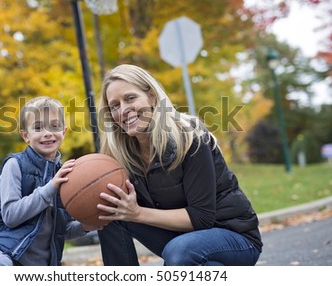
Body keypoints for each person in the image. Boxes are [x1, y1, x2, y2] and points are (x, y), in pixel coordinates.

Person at [96, 64, 262, 266]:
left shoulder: (190, 137)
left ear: (152, 97)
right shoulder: (121, 155)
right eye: (114, 105)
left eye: (130, 98)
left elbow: (202, 218)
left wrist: (138, 214)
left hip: (233, 236)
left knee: (180, 252)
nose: (123, 110)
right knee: (112, 211)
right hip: (180, 240)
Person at [0, 96, 100, 266]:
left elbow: (63, 230)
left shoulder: (67, 175)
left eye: (54, 126)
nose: (47, 132)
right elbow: (10, 216)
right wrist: (51, 187)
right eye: (38, 127)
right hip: (3, 250)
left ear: (64, 131)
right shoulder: (14, 165)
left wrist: (86, 225)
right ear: (25, 135)